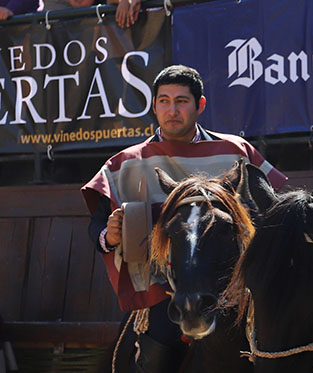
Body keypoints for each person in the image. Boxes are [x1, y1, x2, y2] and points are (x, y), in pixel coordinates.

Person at [81, 65, 286, 372]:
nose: (172, 110)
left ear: (199, 105)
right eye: (163, 101)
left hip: (236, 288)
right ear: (153, 106)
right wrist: (108, 236)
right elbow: (97, 228)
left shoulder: (236, 151)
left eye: (181, 101)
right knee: (158, 348)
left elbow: (271, 209)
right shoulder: (126, 162)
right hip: (164, 285)